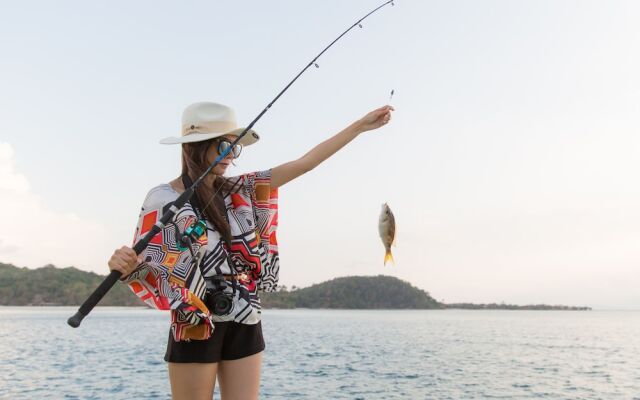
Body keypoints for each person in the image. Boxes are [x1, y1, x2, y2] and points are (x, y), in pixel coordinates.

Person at [107, 101, 394, 400]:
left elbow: (305, 163)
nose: (231, 155)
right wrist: (126, 265)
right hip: (194, 318)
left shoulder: (241, 190)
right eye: (223, 146)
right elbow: (149, 262)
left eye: (234, 147)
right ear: (195, 146)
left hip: (245, 312)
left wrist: (360, 126)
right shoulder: (162, 198)